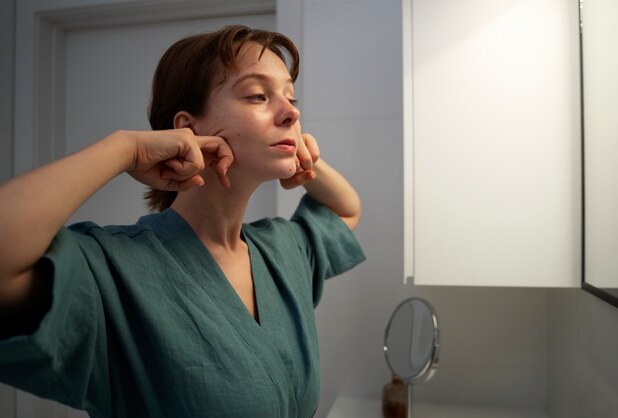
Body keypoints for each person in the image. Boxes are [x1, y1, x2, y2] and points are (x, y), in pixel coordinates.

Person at [0, 25, 365, 418]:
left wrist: (311, 165)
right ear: (188, 129)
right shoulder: (116, 271)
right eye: (259, 95)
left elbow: (346, 210)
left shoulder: (283, 250)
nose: (292, 113)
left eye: (291, 99)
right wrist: (125, 149)